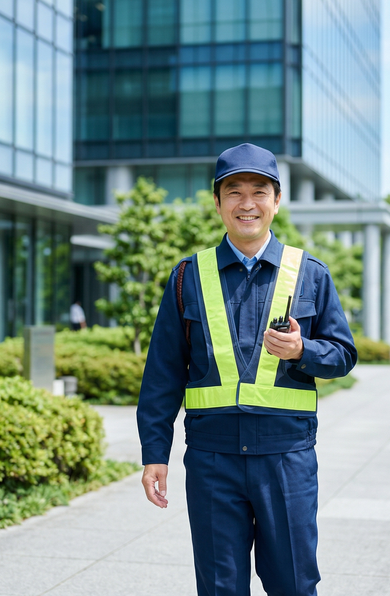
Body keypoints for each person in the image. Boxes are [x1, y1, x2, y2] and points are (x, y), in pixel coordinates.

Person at [137, 143, 357, 596]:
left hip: (286, 457)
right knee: (219, 587)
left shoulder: (310, 273)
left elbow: (343, 355)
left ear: (277, 201)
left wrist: (302, 350)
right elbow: (162, 373)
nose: (247, 203)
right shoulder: (186, 277)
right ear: (217, 203)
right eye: (233, 191)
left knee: (294, 583)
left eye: (260, 191)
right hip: (211, 461)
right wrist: (154, 454)